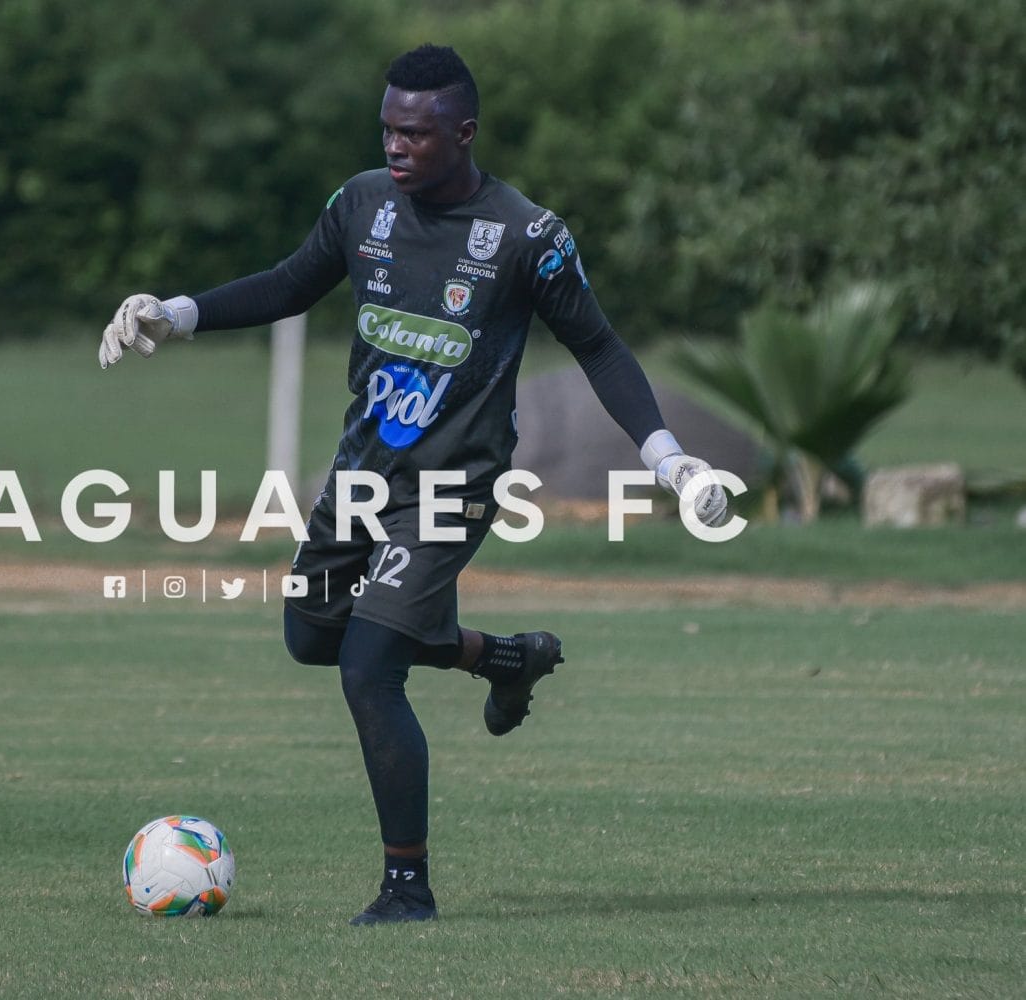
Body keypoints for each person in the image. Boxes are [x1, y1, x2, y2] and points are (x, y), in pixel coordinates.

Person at [98, 43, 727, 925]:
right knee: (311, 637)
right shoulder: (361, 203)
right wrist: (175, 313)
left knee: (369, 669)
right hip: (362, 472)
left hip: (453, 485)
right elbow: (289, 284)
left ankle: (408, 888)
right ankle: (503, 658)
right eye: (388, 128)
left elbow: (598, 346)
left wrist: (669, 458)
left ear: (463, 133)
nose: (396, 145)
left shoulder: (526, 236)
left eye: (417, 134)